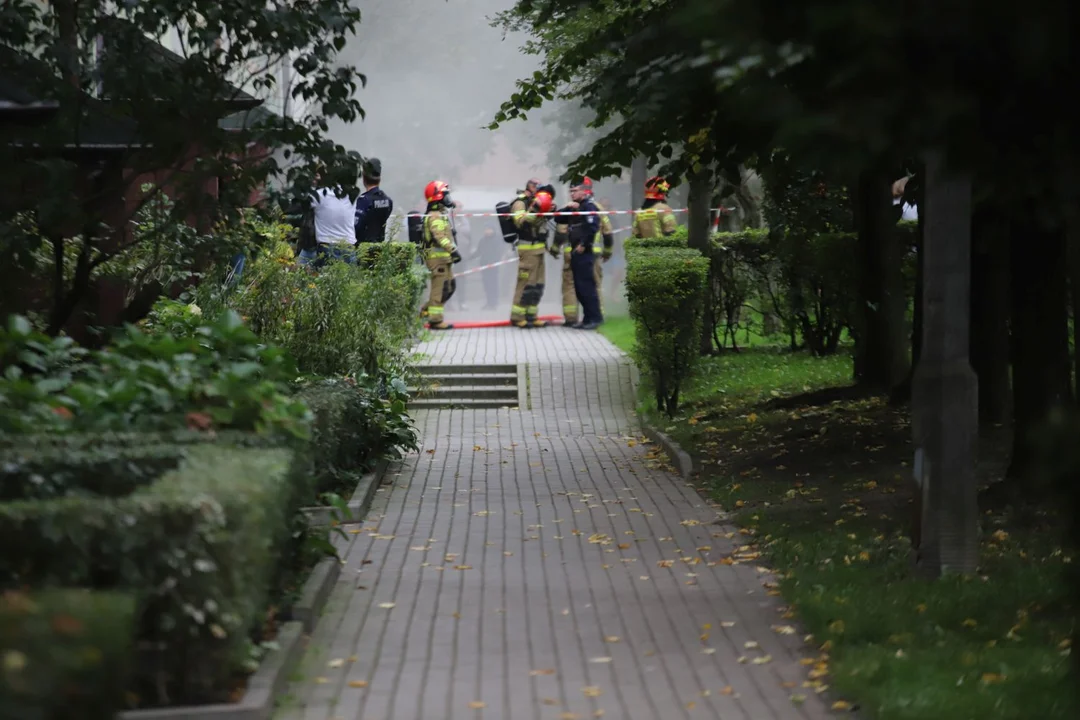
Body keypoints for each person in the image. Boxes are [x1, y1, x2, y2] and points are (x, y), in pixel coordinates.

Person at [552, 177, 602, 329]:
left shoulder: (588, 206)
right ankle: (587, 319)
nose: (572, 194)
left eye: (575, 191)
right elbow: (557, 218)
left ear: (584, 191)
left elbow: (592, 228)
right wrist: (568, 208)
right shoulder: (575, 207)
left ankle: (595, 319)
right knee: (580, 288)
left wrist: (584, 244)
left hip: (584, 252)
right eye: (570, 191)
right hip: (575, 252)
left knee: (587, 287)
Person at [509, 179, 555, 328]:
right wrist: (535, 210)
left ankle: (531, 316)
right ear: (528, 187)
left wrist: (548, 210)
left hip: (540, 249)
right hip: (527, 249)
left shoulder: (538, 202)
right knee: (526, 284)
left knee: (538, 285)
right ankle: (517, 317)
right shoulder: (520, 203)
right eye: (535, 187)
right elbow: (520, 222)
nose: (538, 190)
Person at [419, 180, 462, 330]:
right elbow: (439, 236)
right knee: (440, 289)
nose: (448, 197)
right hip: (437, 259)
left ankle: (426, 311)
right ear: (437, 197)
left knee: (449, 287)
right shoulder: (435, 216)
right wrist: (453, 250)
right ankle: (435, 320)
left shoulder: (441, 215)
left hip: (444, 258)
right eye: (445, 194)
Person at [353, 157, 393, 243]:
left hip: (362, 248)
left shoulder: (363, 200)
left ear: (364, 177)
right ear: (379, 178)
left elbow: (356, 226)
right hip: (379, 247)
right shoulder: (388, 200)